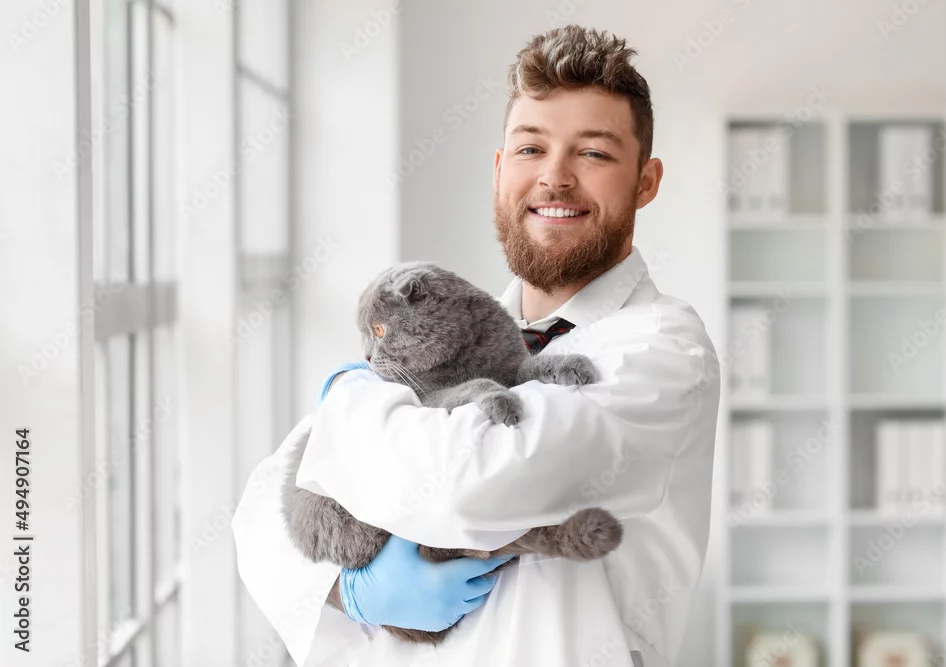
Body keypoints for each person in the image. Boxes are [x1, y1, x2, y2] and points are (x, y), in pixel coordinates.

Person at [232, 24, 720, 667]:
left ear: (645, 182)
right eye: (530, 149)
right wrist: (348, 591)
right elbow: (260, 510)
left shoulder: (663, 350)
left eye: (594, 154)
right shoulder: (459, 328)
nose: (555, 178)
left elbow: (468, 480)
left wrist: (346, 397)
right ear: (499, 171)